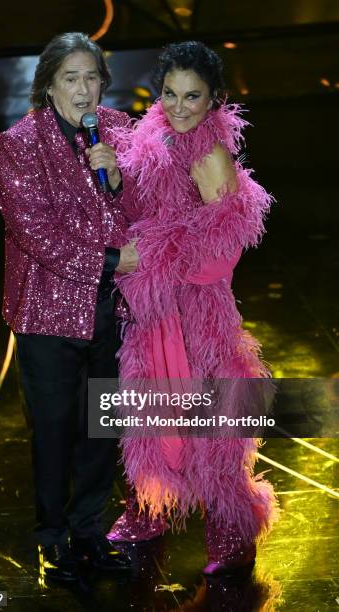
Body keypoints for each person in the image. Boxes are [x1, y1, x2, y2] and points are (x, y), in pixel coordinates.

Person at [106, 41, 279, 575]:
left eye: (193, 96)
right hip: (154, 308)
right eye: (170, 93)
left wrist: (150, 258)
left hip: (198, 312)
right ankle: (150, 505)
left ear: (215, 100)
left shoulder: (210, 154)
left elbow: (221, 252)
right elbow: (135, 203)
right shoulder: (150, 136)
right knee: (150, 406)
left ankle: (232, 527)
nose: (179, 106)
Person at [0, 32, 138, 583]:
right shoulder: (19, 144)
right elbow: (36, 233)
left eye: (92, 78)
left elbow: (150, 205)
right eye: (71, 78)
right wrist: (111, 260)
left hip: (112, 312)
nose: (84, 90)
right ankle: (51, 539)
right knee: (53, 430)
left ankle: (90, 530)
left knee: (102, 427)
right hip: (48, 314)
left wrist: (120, 181)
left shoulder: (119, 131)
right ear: (49, 84)